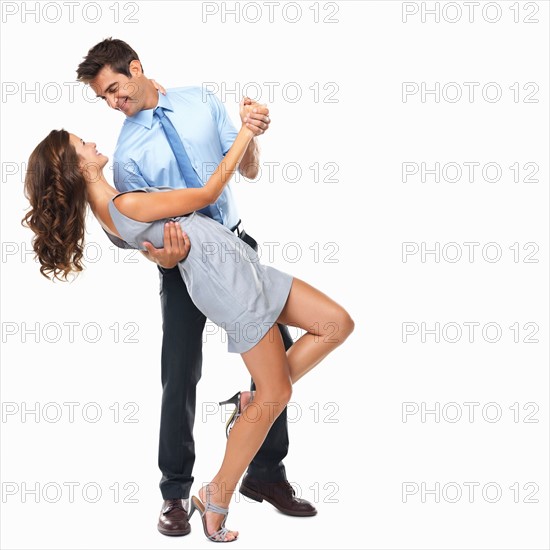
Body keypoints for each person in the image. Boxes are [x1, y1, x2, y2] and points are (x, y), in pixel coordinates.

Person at [22, 124, 354, 542]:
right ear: (76, 165)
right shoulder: (124, 204)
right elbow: (207, 193)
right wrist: (245, 134)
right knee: (277, 394)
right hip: (227, 284)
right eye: (80, 144)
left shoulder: (114, 209)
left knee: (336, 323)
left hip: (239, 261)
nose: (90, 142)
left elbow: (164, 241)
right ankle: (216, 498)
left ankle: (248, 409)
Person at [74, 38, 317, 535]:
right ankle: (175, 494)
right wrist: (159, 257)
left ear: (136, 68)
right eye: (105, 99)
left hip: (235, 245)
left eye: (116, 89)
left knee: (275, 359)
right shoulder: (127, 153)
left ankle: (266, 474)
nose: (114, 104)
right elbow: (136, 228)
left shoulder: (201, 102)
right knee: (180, 372)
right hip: (183, 267)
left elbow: (245, 168)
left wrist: (252, 133)